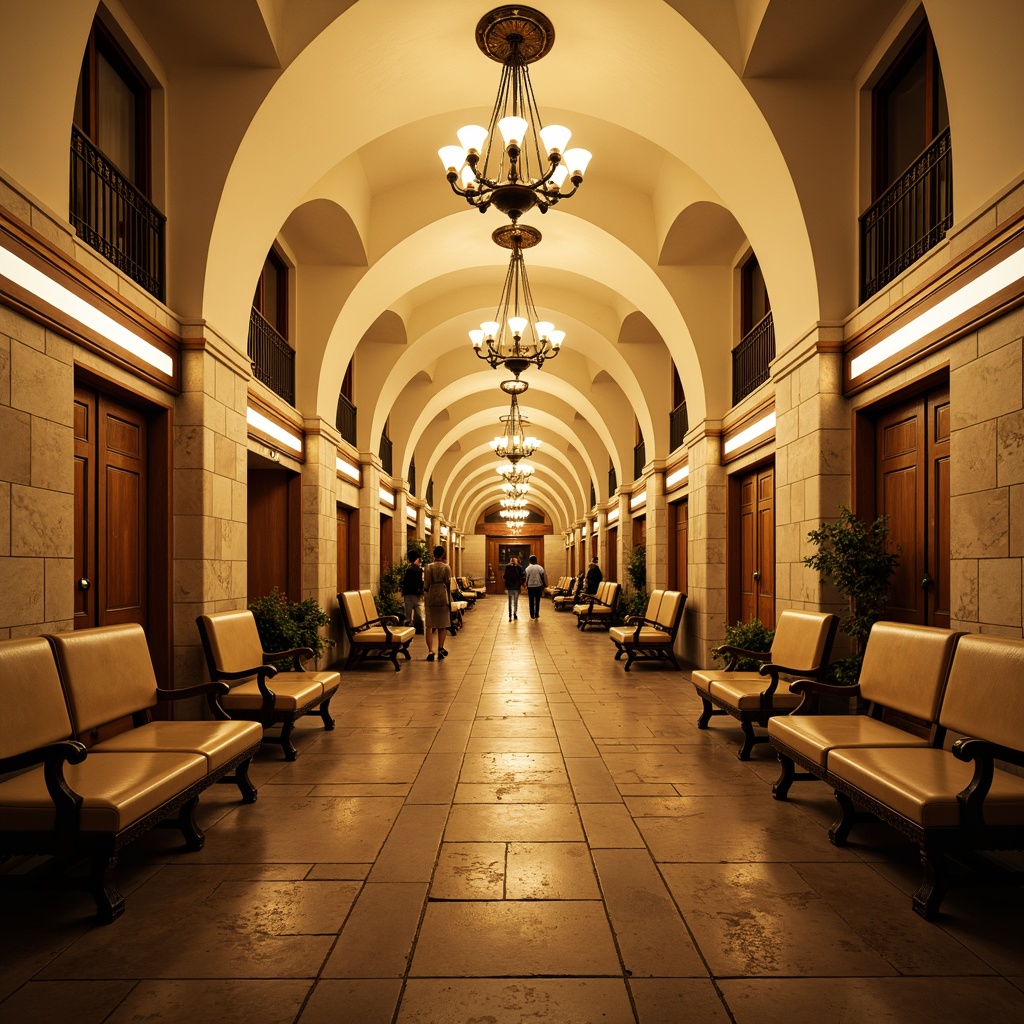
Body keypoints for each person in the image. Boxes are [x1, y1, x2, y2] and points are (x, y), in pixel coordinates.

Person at [422, 544, 452, 660]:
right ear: (443, 554)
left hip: (431, 596)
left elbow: (426, 584)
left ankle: (430, 651)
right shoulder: (446, 567)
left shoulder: (428, 567)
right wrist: (449, 599)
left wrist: (426, 596)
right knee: (443, 624)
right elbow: (448, 583)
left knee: (429, 625)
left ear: (433, 554)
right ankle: (440, 648)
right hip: (443, 596)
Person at [401, 550, 424, 633]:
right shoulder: (418, 570)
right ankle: (419, 627)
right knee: (418, 611)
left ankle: (407, 628)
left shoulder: (408, 569)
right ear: (417, 559)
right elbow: (420, 582)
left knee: (408, 612)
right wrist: (421, 592)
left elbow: (404, 582)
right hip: (415, 594)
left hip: (407, 594)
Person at [523, 554, 546, 620]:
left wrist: (526, 585)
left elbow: (527, 578)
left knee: (531, 600)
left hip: (530, 586)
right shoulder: (540, 568)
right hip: (538, 586)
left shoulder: (528, 568)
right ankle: (537, 614)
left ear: (530, 561)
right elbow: (542, 577)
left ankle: (532, 615)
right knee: (537, 600)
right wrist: (543, 585)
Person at [503, 557, 524, 621]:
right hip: (517, 587)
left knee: (510, 601)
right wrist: (521, 583)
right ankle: (515, 614)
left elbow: (505, 577)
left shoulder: (508, 568)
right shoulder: (519, 568)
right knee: (515, 601)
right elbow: (522, 577)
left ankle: (510, 614)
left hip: (510, 587)